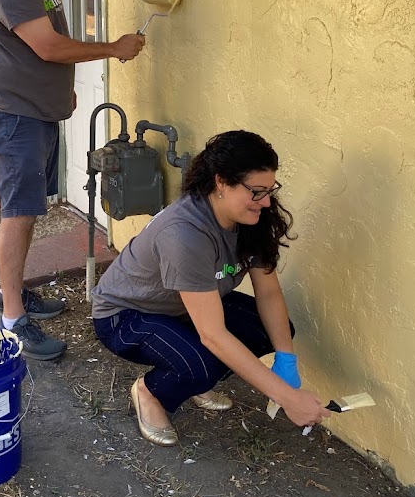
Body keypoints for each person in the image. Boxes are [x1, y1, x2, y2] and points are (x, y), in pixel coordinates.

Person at [0, 0, 146, 360]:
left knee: (26, 208)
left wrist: (59, 87)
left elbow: (48, 37)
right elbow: (47, 46)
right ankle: (12, 320)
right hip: (14, 115)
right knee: (19, 213)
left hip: (33, 107)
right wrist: (112, 49)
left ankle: (14, 294)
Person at [90, 130, 332, 446]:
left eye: (270, 190)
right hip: (126, 314)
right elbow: (213, 335)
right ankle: (150, 393)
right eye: (257, 191)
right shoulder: (185, 234)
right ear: (221, 182)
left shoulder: (251, 216)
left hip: (179, 308)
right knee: (201, 364)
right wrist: (286, 395)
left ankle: (189, 379)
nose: (267, 201)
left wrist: (286, 361)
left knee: (270, 330)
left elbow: (269, 293)